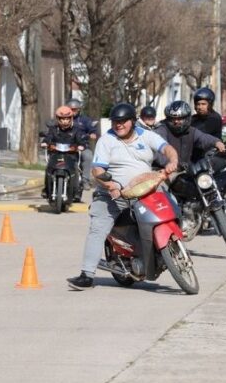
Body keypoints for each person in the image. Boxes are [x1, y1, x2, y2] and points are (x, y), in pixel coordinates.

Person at [66, 103, 179, 291]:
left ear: (133, 121)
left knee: (172, 205)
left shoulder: (146, 135)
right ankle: (87, 274)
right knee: (98, 226)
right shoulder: (106, 141)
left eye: (123, 121)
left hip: (145, 188)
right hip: (113, 193)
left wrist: (173, 160)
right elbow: (97, 169)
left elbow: (166, 148)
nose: (118, 125)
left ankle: (167, 249)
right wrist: (110, 185)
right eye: (115, 122)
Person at [153, 100, 226, 165]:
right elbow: (157, 150)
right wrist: (172, 163)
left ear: (186, 118)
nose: (176, 121)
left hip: (184, 172)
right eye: (173, 119)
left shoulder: (191, 131)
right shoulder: (162, 129)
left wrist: (216, 142)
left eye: (179, 119)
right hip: (161, 170)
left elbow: (203, 138)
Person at [40, 105, 86, 202]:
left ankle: (77, 190)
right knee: (48, 168)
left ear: (71, 119)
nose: (64, 121)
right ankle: (46, 189)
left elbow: (81, 140)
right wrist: (45, 142)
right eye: (62, 119)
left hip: (71, 155)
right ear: (58, 119)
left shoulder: (76, 130)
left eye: (67, 119)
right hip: (55, 154)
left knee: (78, 169)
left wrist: (81, 145)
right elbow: (48, 137)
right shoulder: (53, 129)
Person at [68, 98, 98, 189]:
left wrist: (93, 134)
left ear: (79, 110)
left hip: (82, 145)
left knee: (88, 156)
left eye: (75, 109)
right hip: (68, 146)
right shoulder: (64, 119)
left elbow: (92, 129)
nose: (73, 112)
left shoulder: (84, 120)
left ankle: (85, 181)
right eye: (71, 109)